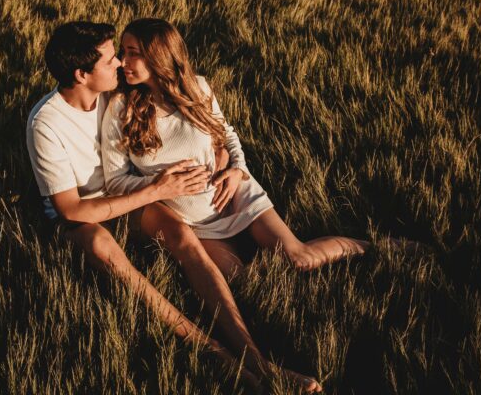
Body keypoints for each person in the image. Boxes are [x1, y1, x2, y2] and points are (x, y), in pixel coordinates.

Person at [101, 19, 395, 391]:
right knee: (246, 280)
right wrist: (160, 186)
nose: (122, 62)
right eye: (122, 52)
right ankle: (265, 364)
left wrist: (237, 170)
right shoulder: (121, 108)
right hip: (195, 221)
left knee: (299, 259)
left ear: (160, 56)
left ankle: (376, 247)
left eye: (133, 53)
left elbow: (228, 136)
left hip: (235, 194)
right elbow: (115, 182)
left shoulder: (198, 88)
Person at [26, 21, 273, 389]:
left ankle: (258, 361)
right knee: (103, 248)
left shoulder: (112, 93)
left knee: (182, 236)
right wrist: (156, 189)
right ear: (81, 74)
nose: (120, 65)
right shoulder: (45, 123)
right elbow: (71, 210)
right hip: (83, 214)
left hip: (126, 197)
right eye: (111, 59)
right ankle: (215, 354)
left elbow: (184, 110)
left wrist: (219, 149)